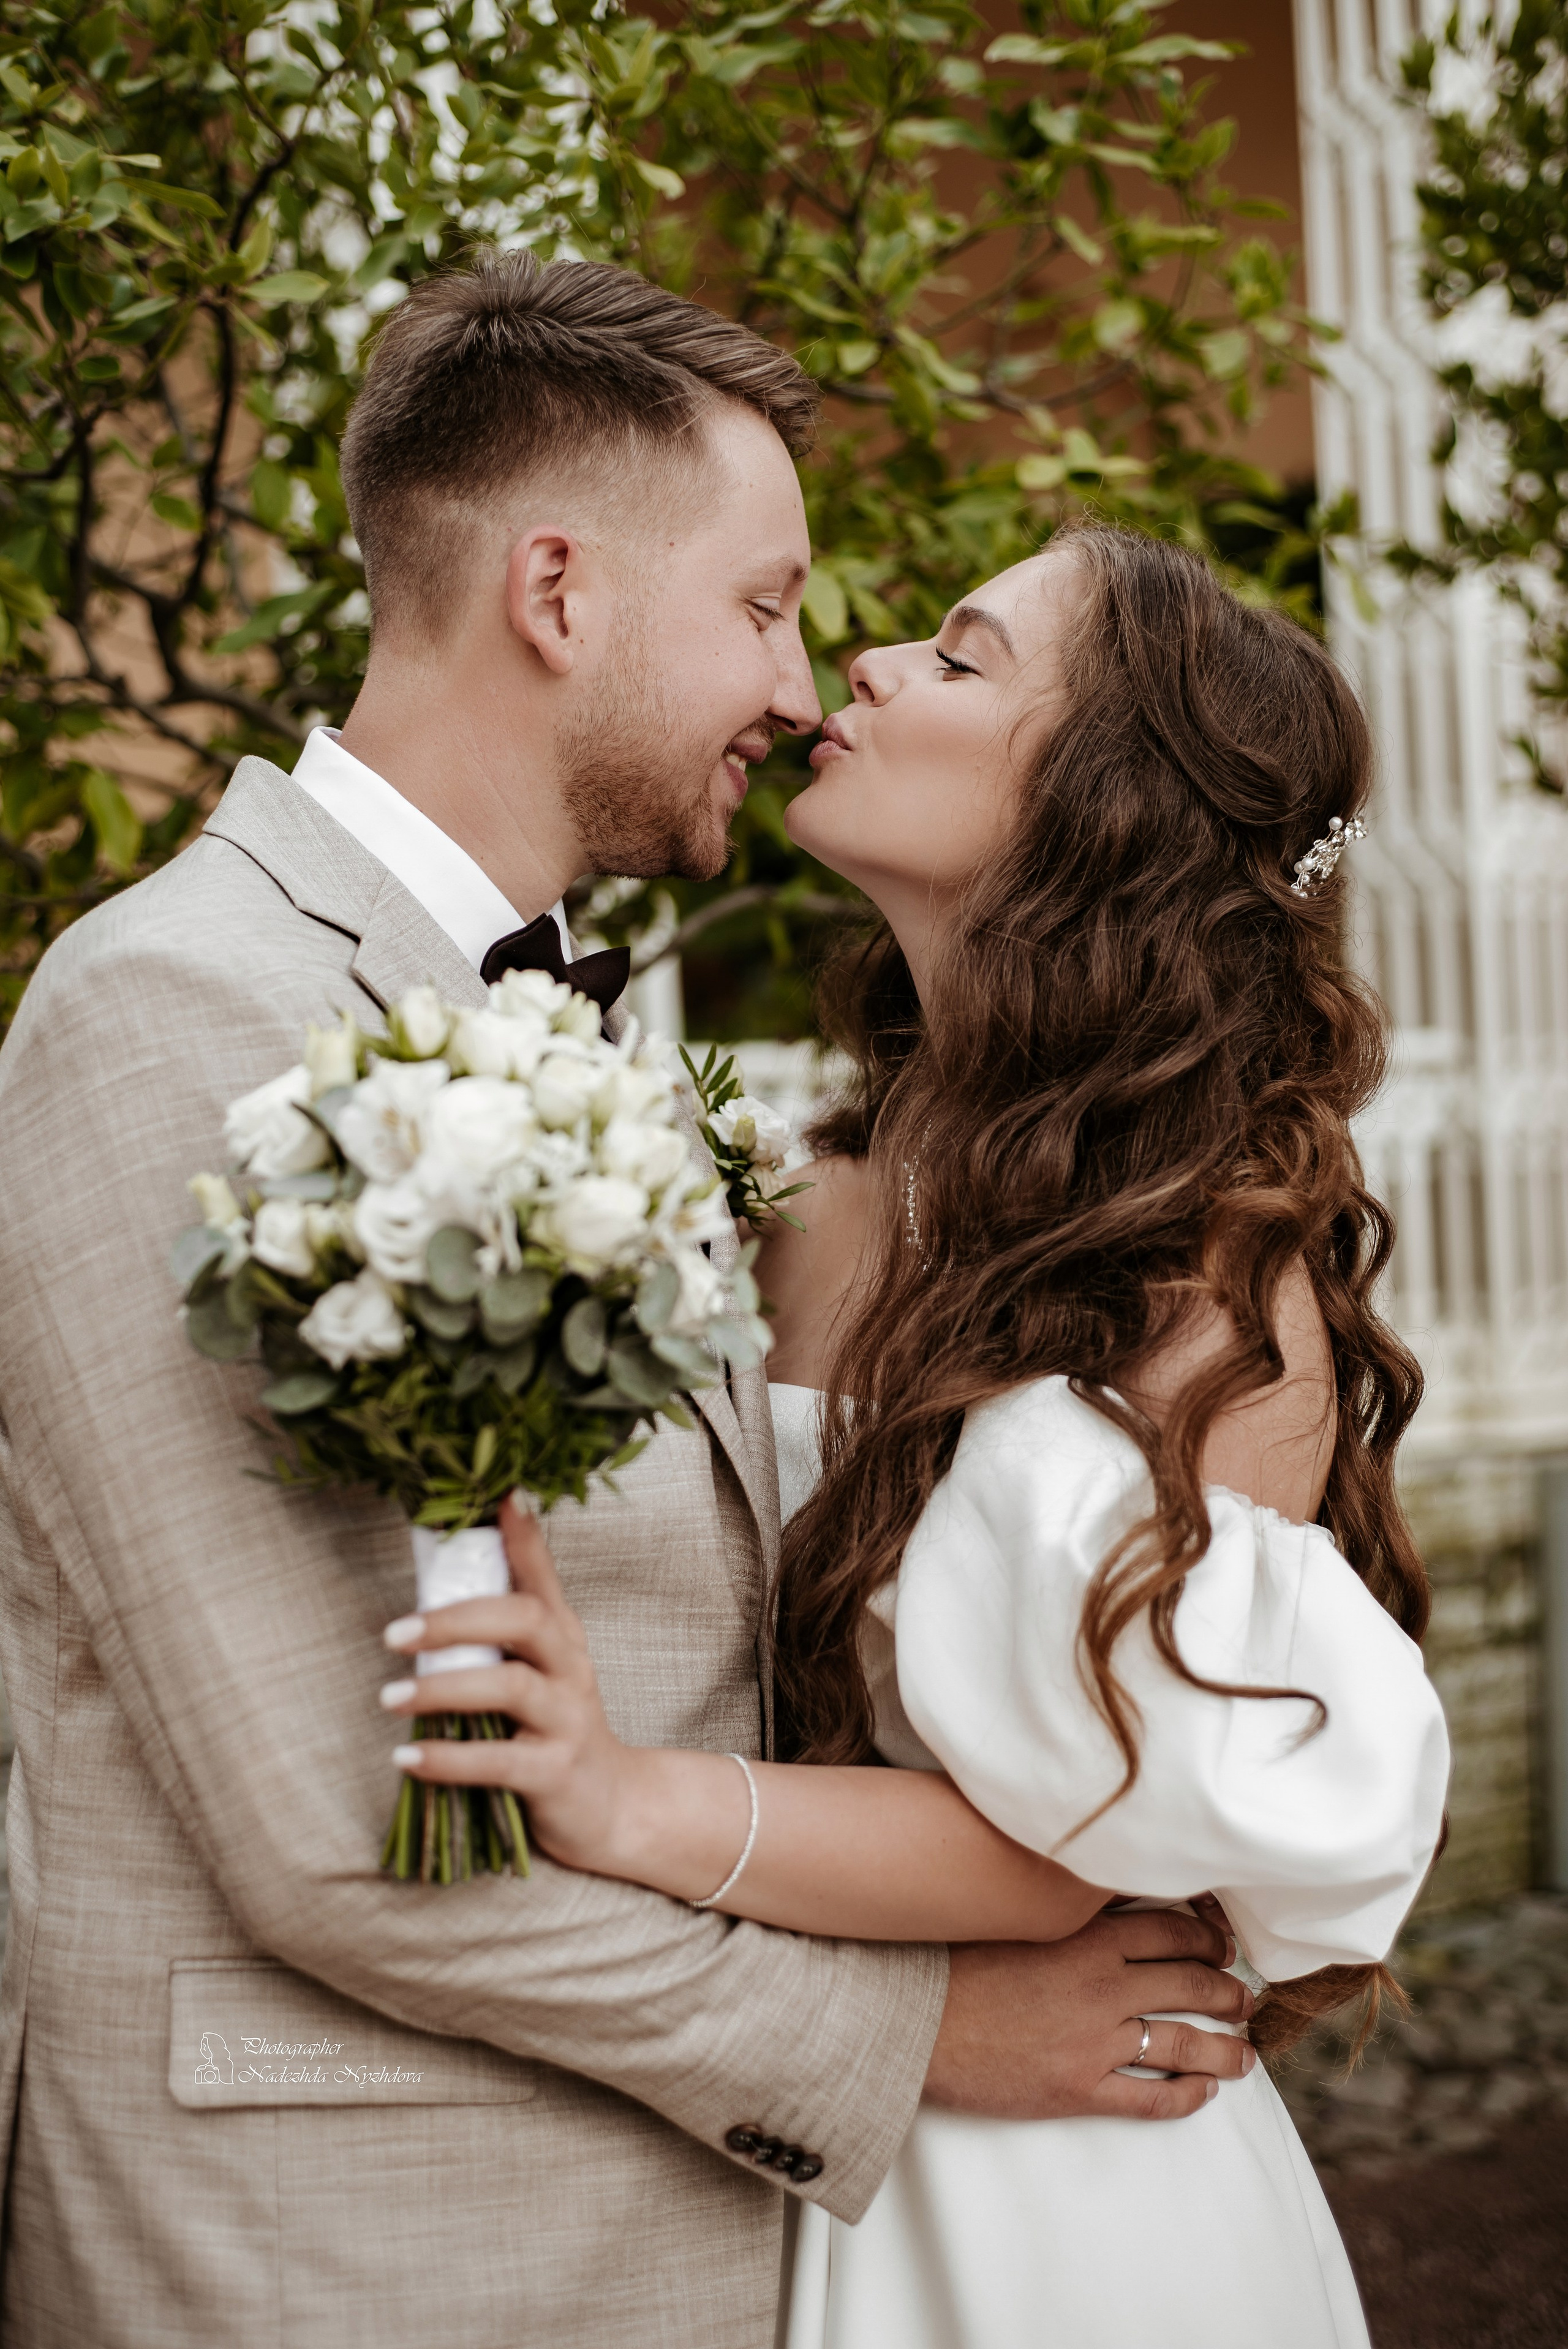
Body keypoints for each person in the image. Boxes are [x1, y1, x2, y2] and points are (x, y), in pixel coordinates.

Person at [0, 261, 1253, 2349]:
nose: (799, 683)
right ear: (560, 594)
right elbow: (333, 1826)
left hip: (646, 2232)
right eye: (762, 606)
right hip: (343, 2258)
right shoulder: (174, 1012)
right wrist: (915, 2033)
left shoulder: (549, 1014)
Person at [381, 525, 1452, 2347]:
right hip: (752, 2134)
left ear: (1104, 806)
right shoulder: (781, 1200)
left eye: (960, 659)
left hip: (1065, 2201)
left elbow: (1070, 1832)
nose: (863, 666)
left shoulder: (1216, 1267)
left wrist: (624, 1795)